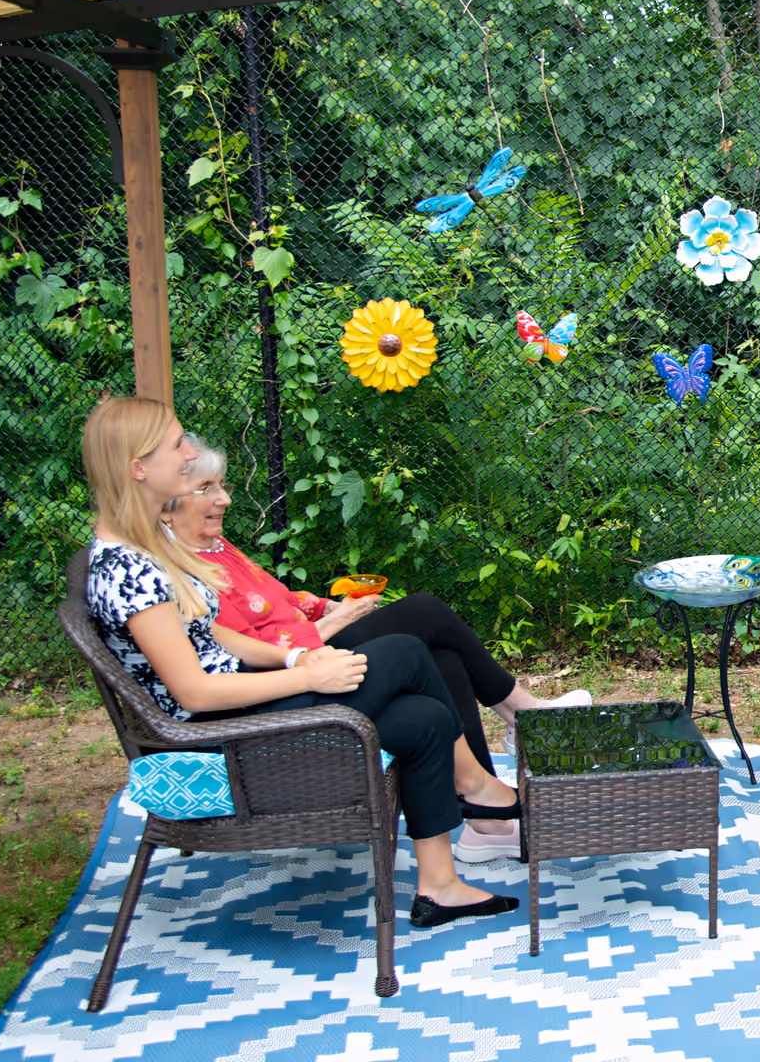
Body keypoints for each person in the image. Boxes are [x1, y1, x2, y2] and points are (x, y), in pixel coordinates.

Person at [80, 396, 520, 927]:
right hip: (226, 731)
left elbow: (216, 636)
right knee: (406, 649)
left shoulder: (144, 547)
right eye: (177, 444)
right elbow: (194, 692)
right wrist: (307, 675)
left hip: (244, 699)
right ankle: (480, 789)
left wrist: (296, 656)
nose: (190, 452)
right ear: (138, 467)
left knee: (423, 719)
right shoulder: (129, 570)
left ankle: (441, 887)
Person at [159, 434, 590, 862]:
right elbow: (249, 648)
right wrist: (331, 625)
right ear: (168, 500)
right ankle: (522, 715)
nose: (223, 500)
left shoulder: (215, 545)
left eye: (221, 486)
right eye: (206, 489)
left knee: (443, 657)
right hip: (291, 671)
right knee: (425, 612)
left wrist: (328, 607)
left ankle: (486, 824)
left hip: (311, 647)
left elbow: (281, 601)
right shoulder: (180, 569)